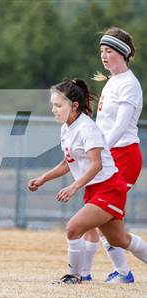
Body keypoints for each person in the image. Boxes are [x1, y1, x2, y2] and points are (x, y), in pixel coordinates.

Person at [27, 79, 147, 284]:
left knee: (73, 227)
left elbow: (96, 164)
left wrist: (74, 187)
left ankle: (75, 276)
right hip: (96, 188)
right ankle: (86, 274)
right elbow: (68, 162)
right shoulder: (67, 127)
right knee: (120, 239)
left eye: (58, 105)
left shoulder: (86, 128)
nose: (53, 110)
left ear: (74, 105)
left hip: (109, 187)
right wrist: (43, 179)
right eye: (52, 105)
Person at [81, 27, 144, 283]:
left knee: (102, 217)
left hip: (124, 157)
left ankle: (115, 272)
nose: (104, 56)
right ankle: (116, 272)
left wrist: (99, 149)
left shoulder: (129, 84)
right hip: (108, 155)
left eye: (109, 51)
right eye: (102, 51)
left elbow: (120, 125)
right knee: (103, 220)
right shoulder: (112, 82)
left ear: (123, 54)